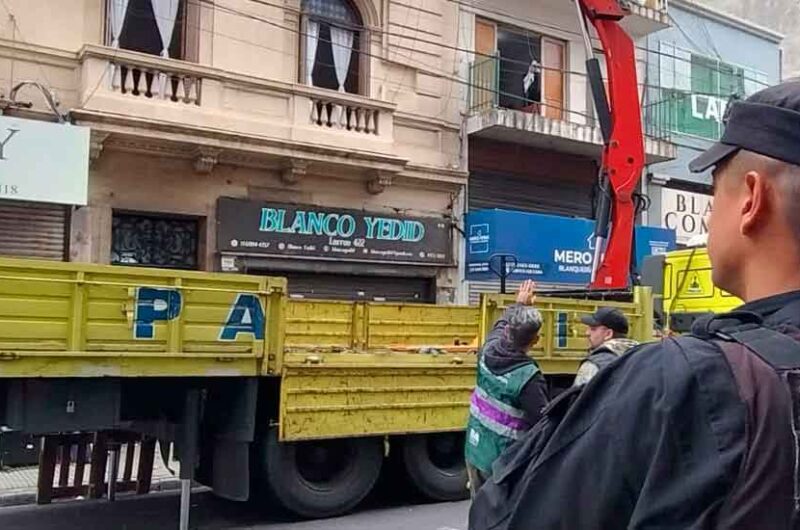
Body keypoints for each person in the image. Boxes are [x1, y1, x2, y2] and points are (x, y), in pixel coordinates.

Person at [469, 80, 800, 529]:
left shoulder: (678, 386)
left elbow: (504, 515)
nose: (706, 216)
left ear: (751, 200)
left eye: (713, 190)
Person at [465, 279, 548, 498]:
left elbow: (500, 326)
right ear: (536, 340)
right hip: (503, 464)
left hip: (475, 449)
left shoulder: (488, 349)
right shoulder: (528, 377)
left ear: (507, 331)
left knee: (479, 514)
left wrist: (519, 304)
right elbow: (543, 423)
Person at [573, 307, 639, 386]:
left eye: (593, 329)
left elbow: (579, 396)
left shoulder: (594, 365)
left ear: (608, 334)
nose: (587, 333)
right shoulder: (643, 357)